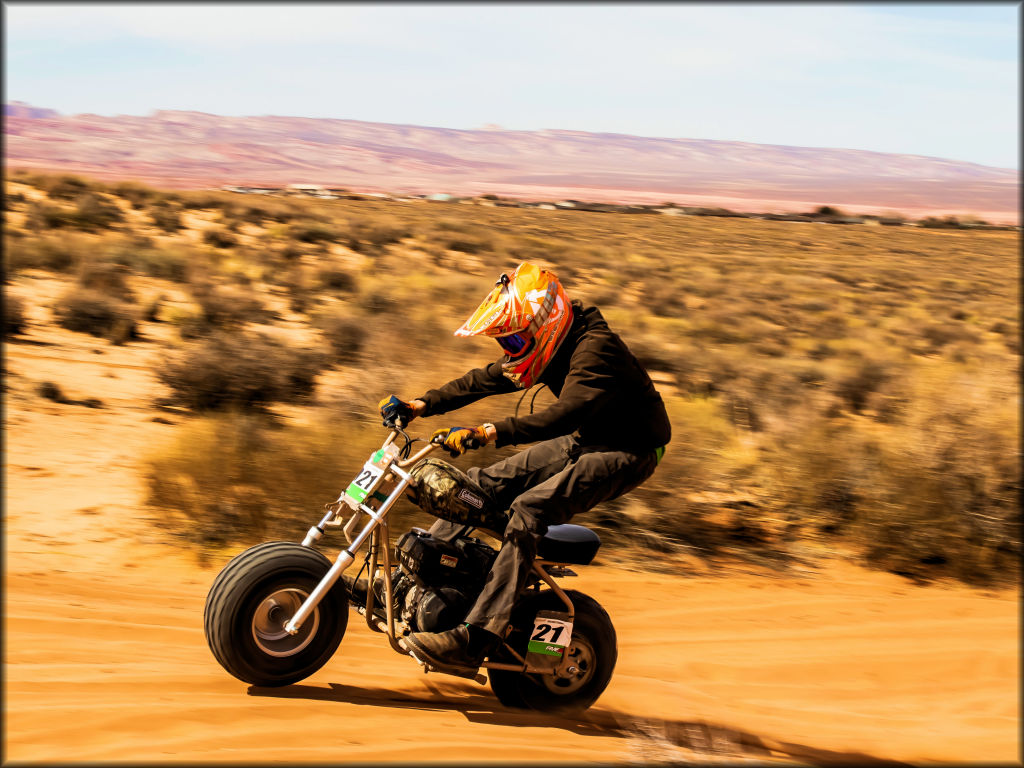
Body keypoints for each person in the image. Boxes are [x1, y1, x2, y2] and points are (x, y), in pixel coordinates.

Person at [378, 261, 671, 671]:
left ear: (545, 322)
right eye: (507, 342)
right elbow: (484, 379)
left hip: (629, 450)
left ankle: (478, 634)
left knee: (530, 509)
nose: (510, 350)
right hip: (586, 438)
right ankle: (427, 582)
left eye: (514, 339)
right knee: (475, 485)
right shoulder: (549, 343)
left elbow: (563, 416)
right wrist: (420, 405)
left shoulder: (595, 350)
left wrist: (485, 432)